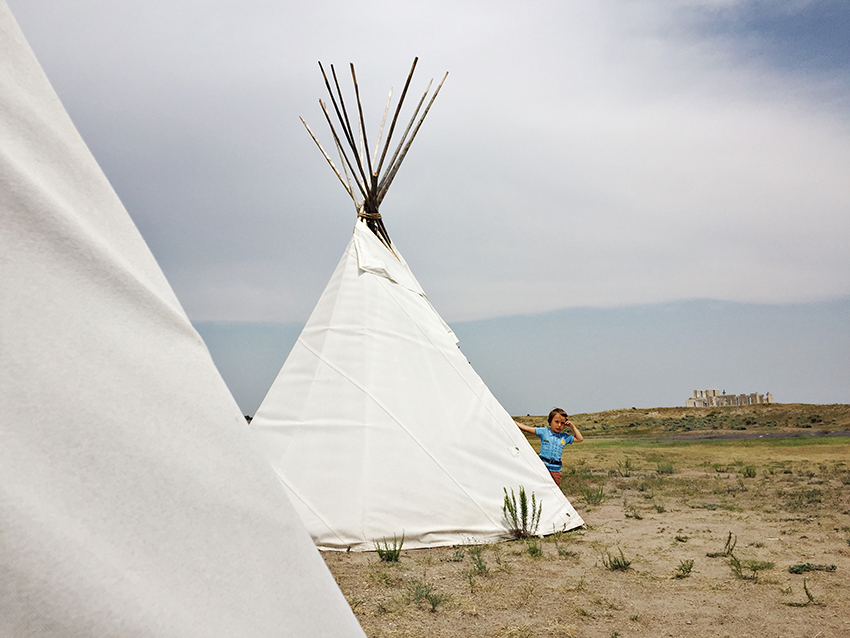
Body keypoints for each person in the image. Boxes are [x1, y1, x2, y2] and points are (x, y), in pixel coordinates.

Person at [515, 408, 583, 486]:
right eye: (556, 422)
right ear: (550, 422)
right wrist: (512, 421)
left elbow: (579, 439)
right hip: (542, 468)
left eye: (562, 423)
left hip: (556, 471)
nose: (559, 425)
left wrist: (572, 426)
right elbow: (527, 428)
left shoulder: (564, 437)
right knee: (538, 488)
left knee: (554, 491)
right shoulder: (544, 432)